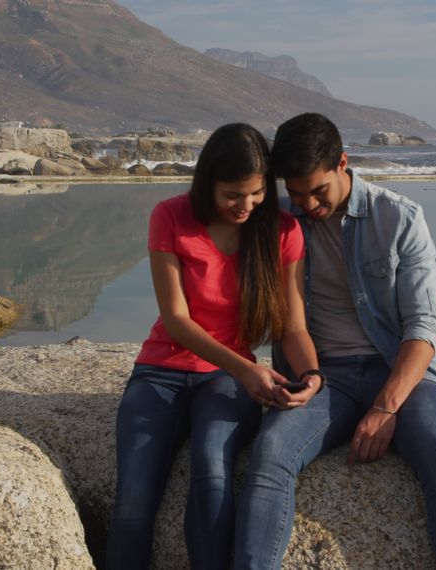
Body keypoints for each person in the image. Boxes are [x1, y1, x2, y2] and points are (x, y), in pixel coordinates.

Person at [234, 113, 436, 569]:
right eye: (295, 192)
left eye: (318, 190)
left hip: (397, 371)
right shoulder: (279, 224)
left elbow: (425, 327)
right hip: (320, 377)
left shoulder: (399, 218)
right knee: (270, 455)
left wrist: (386, 407)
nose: (307, 203)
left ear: (343, 164)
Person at [106, 123, 323, 569]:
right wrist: (245, 369)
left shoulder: (281, 231)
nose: (245, 206)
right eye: (232, 195)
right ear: (209, 183)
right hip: (160, 371)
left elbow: (293, 327)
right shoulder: (170, 215)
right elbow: (176, 320)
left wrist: (312, 377)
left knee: (212, 475)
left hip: (224, 381)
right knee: (133, 500)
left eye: (257, 193)